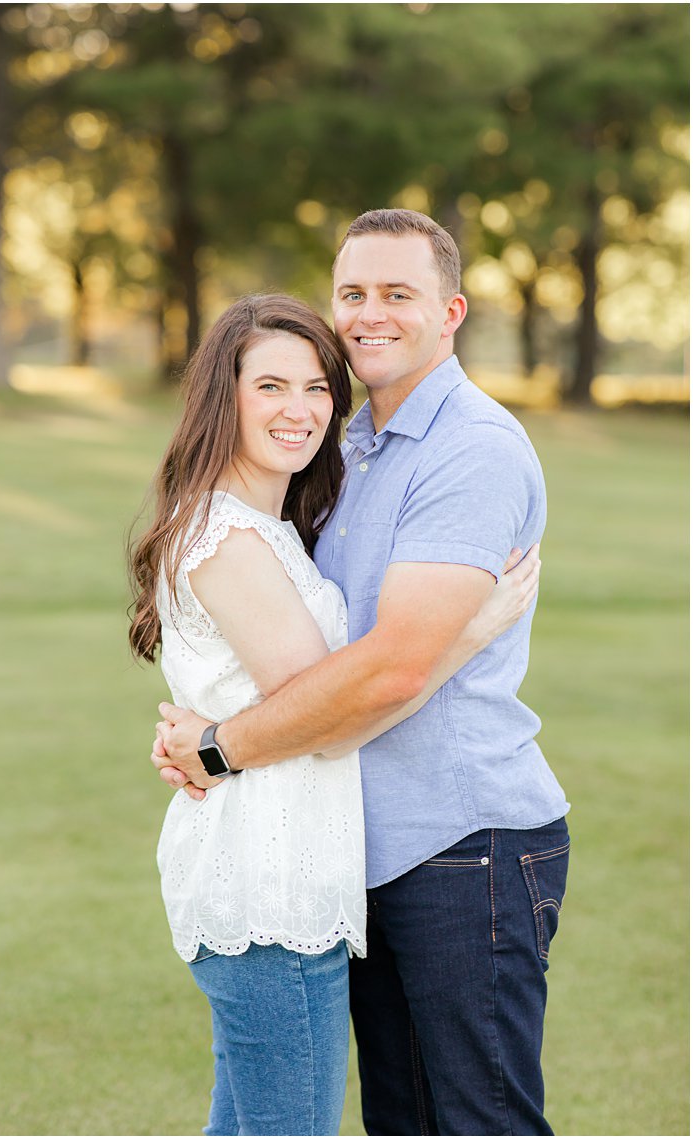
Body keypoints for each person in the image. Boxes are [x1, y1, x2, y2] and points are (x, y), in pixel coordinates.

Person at [153, 210, 569, 1135]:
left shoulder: (472, 450)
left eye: (398, 294)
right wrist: (213, 718)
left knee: (477, 1121)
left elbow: (384, 674)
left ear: (450, 310)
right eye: (353, 293)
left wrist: (218, 747)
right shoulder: (347, 453)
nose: (370, 314)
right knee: (400, 1119)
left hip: (466, 846)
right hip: (345, 859)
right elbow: (281, 656)